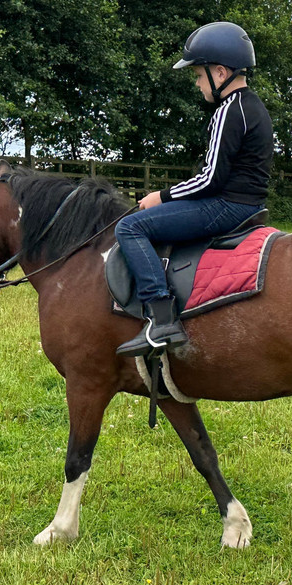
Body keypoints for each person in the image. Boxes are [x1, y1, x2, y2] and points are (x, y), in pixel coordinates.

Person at [115, 21, 273, 356]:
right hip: (247, 203)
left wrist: (162, 196)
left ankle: (162, 319)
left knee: (130, 227)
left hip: (226, 205)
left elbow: (210, 178)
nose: (198, 83)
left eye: (199, 75)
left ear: (220, 73)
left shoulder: (229, 110)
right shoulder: (254, 106)